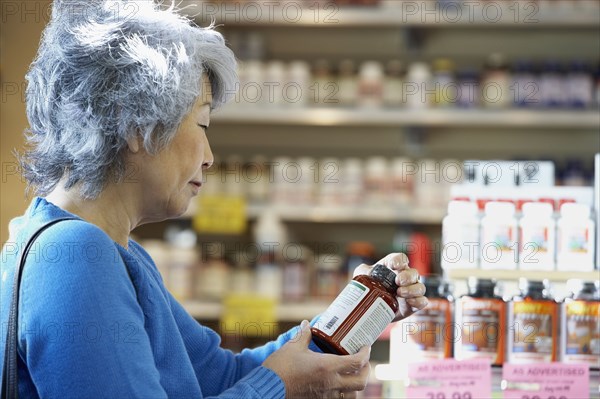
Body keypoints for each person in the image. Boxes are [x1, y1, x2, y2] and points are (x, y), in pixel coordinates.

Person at [0, 1, 428, 398]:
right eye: (202, 125)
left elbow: (218, 376)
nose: (209, 158)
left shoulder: (113, 251)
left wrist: (355, 312)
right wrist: (277, 388)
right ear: (132, 123)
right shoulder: (76, 256)